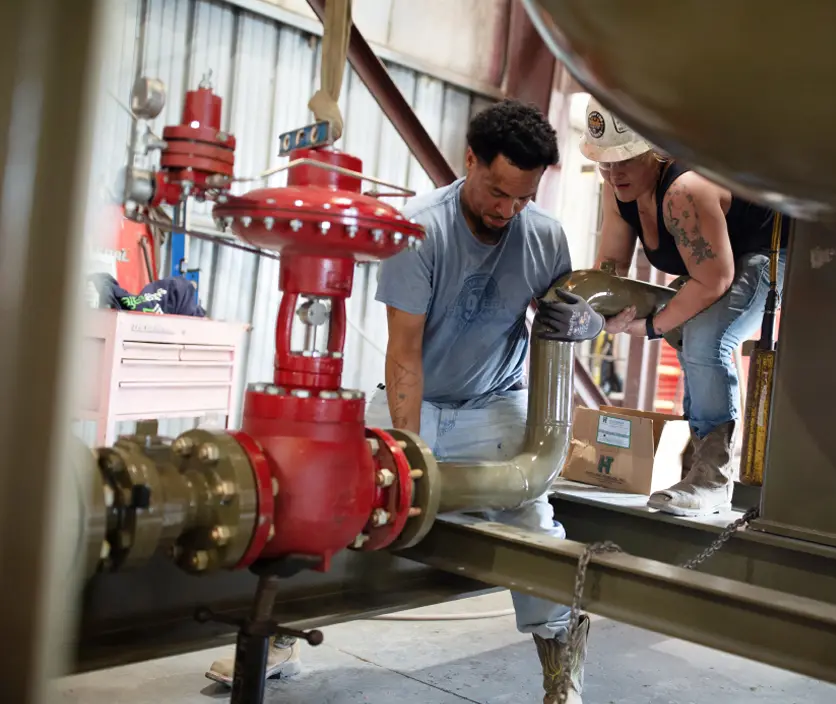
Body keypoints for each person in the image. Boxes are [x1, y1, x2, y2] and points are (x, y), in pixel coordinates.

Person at [206, 100, 604, 704]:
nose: (507, 210)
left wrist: (586, 322)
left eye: (522, 198)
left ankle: (560, 662)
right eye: (497, 191)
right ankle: (276, 636)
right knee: (322, 496)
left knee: (532, 522)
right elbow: (404, 356)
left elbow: (556, 328)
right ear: (469, 160)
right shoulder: (420, 230)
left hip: (495, 399)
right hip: (415, 396)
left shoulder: (544, 238)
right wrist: (409, 450)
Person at [578, 96, 789, 518]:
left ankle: (712, 477)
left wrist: (651, 325)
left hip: (766, 256)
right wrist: (591, 306)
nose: (615, 171)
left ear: (654, 150)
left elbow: (715, 280)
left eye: (625, 159)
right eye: (605, 161)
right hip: (714, 265)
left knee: (705, 339)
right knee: (688, 328)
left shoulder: (683, 191)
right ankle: (696, 463)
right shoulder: (617, 189)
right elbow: (613, 266)